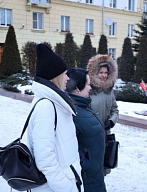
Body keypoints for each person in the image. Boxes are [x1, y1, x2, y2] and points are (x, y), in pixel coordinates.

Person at [27, 44, 83, 192]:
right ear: (55, 77)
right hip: (54, 187)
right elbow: (44, 158)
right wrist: (65, 186)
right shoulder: (46, 107)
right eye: (64, 74)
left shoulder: (55, 103)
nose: (68, 78)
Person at [66, 68, 107, 192]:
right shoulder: (71, 112)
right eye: (88, 84)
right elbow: (68, 147)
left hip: (95, 174)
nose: (90, 88)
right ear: (78, 88)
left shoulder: (85, 105)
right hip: (86, 178)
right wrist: (87, 165)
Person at [87, 54, 119, 175]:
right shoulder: (87, 89)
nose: (103, 75)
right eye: (101, 72)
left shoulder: (109, 90)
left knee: (103, 168)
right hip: (90, 135)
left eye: (106, 72)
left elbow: (115, 110)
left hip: (105, 135)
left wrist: (111, 121)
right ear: (94, 72)